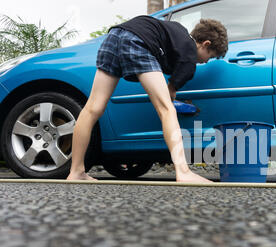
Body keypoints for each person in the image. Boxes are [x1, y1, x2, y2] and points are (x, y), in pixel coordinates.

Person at [66, 15, 228, 182]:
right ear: (205, 44)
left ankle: (76, 171)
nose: (206, 61)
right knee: (167, 109)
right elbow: (174, 85)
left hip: (114, 36)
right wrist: (171, 92)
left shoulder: (176, 32)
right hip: (138, 40)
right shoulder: (189, 50)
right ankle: (183, 172)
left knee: (93, 108)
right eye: (210, 56)